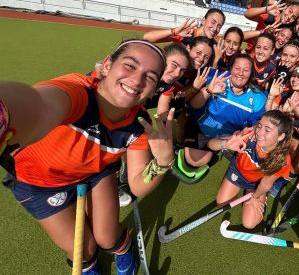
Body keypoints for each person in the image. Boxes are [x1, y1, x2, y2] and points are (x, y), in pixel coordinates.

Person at [0, 39, 174, 274]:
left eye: (150, 77)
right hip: (39, 183)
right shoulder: (77, 93)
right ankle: (90, 266)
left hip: (96, 171)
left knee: (107, 237)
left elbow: (137, 185)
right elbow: (39, 104)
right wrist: (5, 111)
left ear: (154, 90)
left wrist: (163, 162)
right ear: (106, 65)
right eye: (130, 65)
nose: (137, 80)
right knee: (83, 248)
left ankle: (123, 249)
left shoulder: (140, 125)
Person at [210, 110, 293, 229]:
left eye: (267, 130)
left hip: (257, 184)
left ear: (281, 136)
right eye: (259, 126)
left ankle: (259, 198)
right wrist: (225, 144)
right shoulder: (248, 135)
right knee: (221, 204)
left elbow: (265, 184)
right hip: (238, 171)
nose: (259, 132)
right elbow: (211, 143)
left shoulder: (282, 160)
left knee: (249, 224)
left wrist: (255, 197)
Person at [183, 53, 267, 169]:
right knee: (192, 161)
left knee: (199, 161)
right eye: (237, 68)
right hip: (200, 127)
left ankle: (222, 146)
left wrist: (246, 134)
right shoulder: (216, 79)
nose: (241, 73)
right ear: (231, 68)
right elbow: (193, 106)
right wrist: (209, 90)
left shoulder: (258, 98)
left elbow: (255, 125)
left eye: (246, 70)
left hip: (227, 137)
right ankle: (214, 147)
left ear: (251, 73)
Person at [143, 8, 226, 45]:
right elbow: (147, 37)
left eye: (219, 26)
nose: (215, 28)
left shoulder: (214, 45)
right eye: (213, 22)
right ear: (204, 21)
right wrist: (175, 32)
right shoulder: (187, 34)